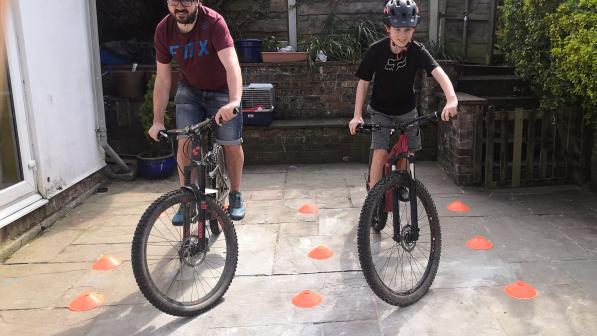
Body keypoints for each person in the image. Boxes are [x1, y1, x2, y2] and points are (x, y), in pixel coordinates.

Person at [148, 0, 246, 221]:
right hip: (190, 90)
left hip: (221, 90)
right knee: (184, 141)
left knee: (231, 143)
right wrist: (157, 120)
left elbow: (232, 65)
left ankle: (236, 194)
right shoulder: (164, 29)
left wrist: (234, 101)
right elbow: (163, 79)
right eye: (174, 1)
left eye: (186, 0)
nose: (179, 6)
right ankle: (187, 198)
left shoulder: (213, 22)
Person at [348, 0, 458, 190]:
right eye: (397, 29)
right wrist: (357, 116)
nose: (402, 35)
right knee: (380, 151)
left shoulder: (417, 51)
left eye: (407, 30)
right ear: (387, 28)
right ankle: (373, 199)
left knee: (409, 151)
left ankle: (402, 183)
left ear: (414, 29)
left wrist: (452, 99)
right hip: (380, 110)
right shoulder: (376, 50)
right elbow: (363, 83)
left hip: (407, 110)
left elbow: (439, 72)